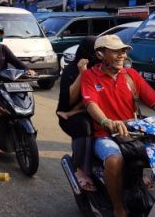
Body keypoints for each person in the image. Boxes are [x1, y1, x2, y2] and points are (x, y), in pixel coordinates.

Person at [81, 34, 155, 217]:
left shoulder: (131, 75)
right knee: (114, 160)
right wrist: (107, 121)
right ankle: (118, 208)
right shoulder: (90, 77)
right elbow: (91, 105)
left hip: (137, 132)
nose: (121, 55)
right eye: (115, 51)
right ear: (100, 55)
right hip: (106, 134)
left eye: (123, 51)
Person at [56, 36, 99, 192]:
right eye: (95, 52)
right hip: (69, 113)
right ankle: (81, 167)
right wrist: (83, 73)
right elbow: (69, 101)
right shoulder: (71, 69)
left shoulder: (101, 67)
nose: (98, 55)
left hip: (94, 108)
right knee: (85, 126)